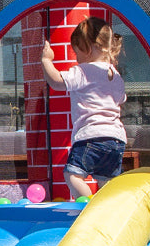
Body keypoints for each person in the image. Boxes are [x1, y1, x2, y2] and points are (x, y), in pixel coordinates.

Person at [41, 17, 128, 198]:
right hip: (116, 139)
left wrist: (46, 61)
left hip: (91, 135)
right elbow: (121, 99)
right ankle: (108, 212)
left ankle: (86, 208)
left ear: (90, 47)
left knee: (72, 175)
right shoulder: (117, 75)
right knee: (106, 182)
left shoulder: (84, 71)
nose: (76, 57)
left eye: (77, 51)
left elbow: (57, 82)